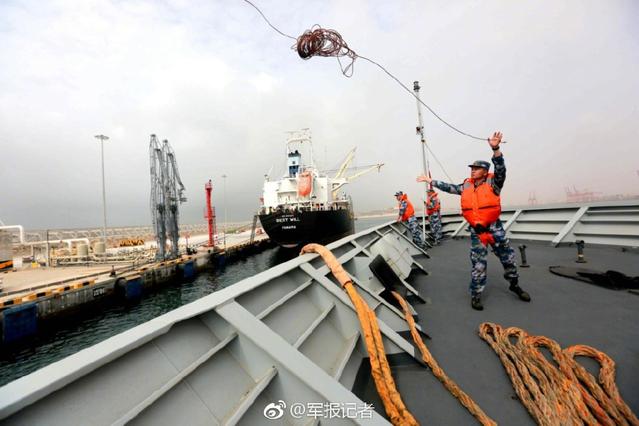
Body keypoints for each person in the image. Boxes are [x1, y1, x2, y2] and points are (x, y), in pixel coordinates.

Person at [417, 132, 530, 310]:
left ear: (485, 171)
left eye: (476, 168)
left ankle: (514, 285)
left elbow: (501, 168)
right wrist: (431, 181)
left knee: (508, 259)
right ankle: (476, 294)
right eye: (472, 168)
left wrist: (495, 148)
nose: (472, 170)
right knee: (478, 265)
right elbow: (449, 187)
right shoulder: (466, 186)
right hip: (478, 232)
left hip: (495, 230)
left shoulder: (494, 183)